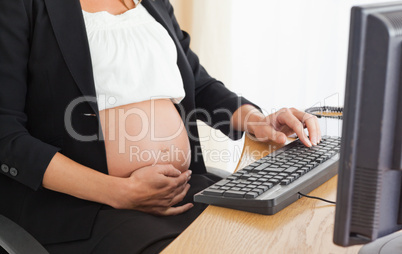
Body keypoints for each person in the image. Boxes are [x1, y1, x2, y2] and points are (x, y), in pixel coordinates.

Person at [0, 0, 321, 253]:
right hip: (89, 210)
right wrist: (119, 192)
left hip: (182, 191)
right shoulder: (22, 5)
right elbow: (6, 136)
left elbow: (198, 83)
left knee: (274, 236)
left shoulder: (150, 2)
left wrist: (258, 120)